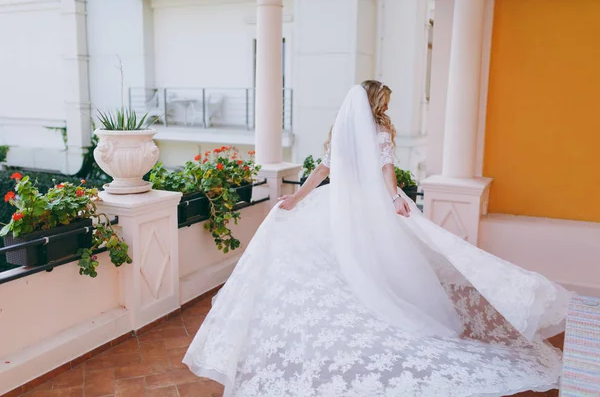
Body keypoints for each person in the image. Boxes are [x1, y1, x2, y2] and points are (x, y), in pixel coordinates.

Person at [184, 81, 572, 397]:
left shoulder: (343, 132)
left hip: (334, 207)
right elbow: (387, 171)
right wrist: (393, 200)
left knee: (339, 265)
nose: (387, 106)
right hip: (369, 206)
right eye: (384, 100)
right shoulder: (380, 130)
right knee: (379, 261)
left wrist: (297, 198)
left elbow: (321, 172)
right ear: (376, 102)